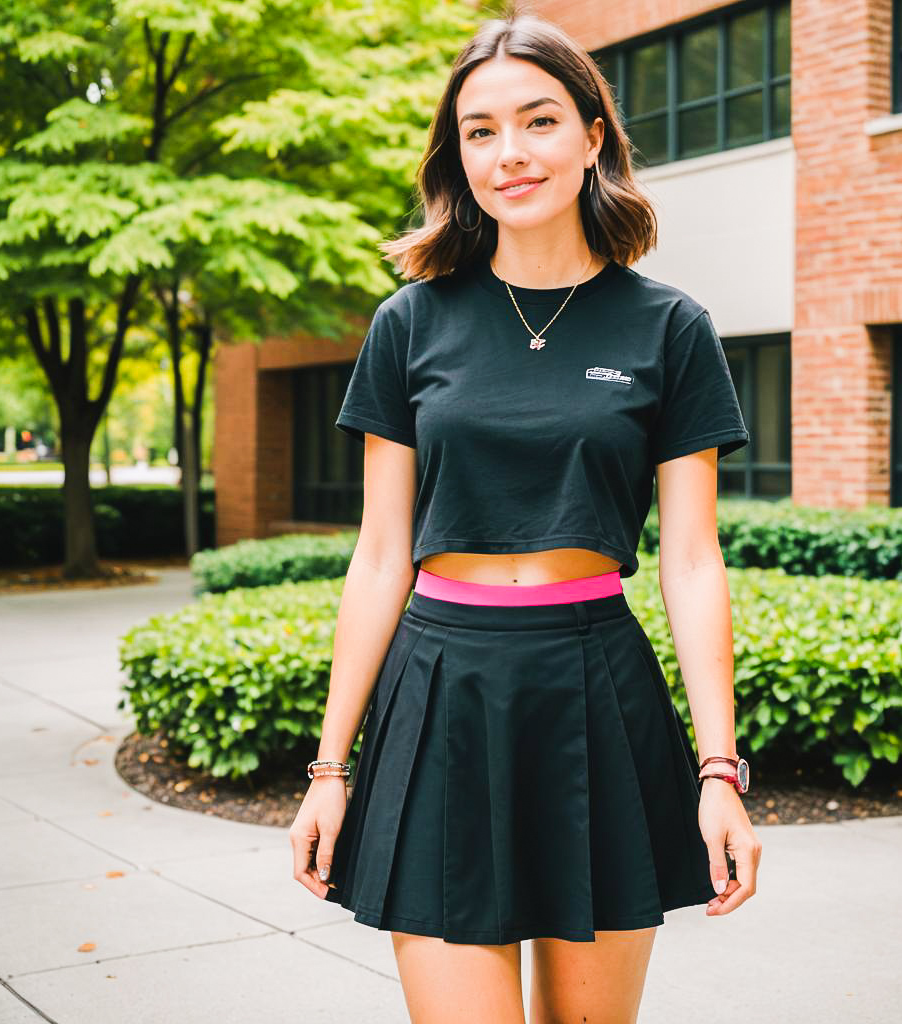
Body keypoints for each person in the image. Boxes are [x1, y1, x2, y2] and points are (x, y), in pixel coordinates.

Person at [290, 10, 762, 1023]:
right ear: (456, 157)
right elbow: (378, 557)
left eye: (539, 120)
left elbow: (690, 559)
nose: (511, 153)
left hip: (596, 686)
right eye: (480, 130)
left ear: (594, 136)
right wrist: (330, 768)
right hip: (439, 688)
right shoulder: (408, 322)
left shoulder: (668, 326)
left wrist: (718, 770)